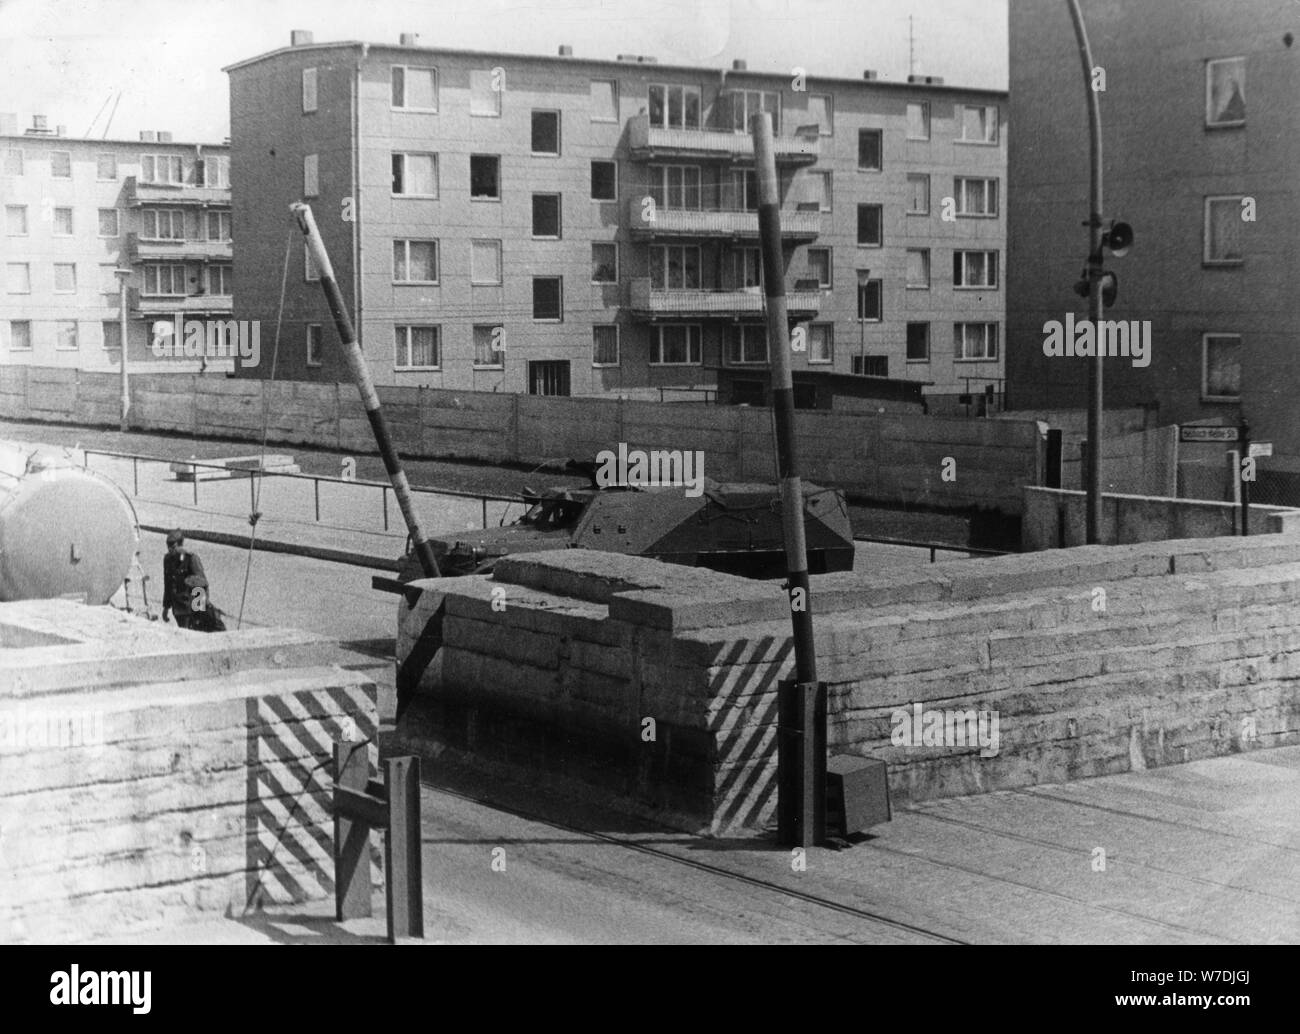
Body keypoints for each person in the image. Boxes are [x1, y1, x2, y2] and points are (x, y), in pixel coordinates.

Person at [162, 530, 207, 630]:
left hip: (190, 609)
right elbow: (168, 584)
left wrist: (199, 612)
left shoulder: (191, 559)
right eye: (168, 546)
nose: (170, 550)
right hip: (177, 609)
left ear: (180, 545)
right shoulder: (168, 560)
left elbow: (201, 585)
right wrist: (166, 607)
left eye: (173, 547)